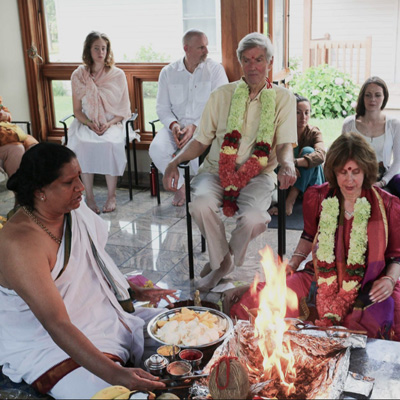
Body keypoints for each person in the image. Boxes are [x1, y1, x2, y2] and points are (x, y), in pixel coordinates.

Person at [0, 143, 178, 399]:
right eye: (69, 182)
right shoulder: (20, 243)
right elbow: (56, 323)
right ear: (40, 191)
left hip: (100, 314)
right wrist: (116, 375)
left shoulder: (72, 210)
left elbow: (94, 264)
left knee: (189, 332)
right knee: (119, 395)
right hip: (46, 344)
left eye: (80, 177)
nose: (81, 187)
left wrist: (130, 290)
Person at [163, 32, 297, 291]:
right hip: (215, 170)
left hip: (259, 174)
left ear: (269, 63)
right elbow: (201, 141)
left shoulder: (283, 99)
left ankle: (222, 265)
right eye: (246, 60)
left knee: (255, 218)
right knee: (200, 203)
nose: (252, 66)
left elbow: (284, 145)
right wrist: (173, 162)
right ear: (240, 63)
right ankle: (223, 262)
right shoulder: (222, 95)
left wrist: (288, 164)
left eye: (259, 60)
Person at [283, 132, 400, 339]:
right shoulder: (319, 197)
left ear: (366, 171)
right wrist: (292, 264)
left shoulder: (388, 205)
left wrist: (390, 280)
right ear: (334, 172)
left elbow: (395, 256)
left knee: (383, 319)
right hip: (320, 277)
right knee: (272, 297)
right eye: (343, 172)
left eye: (356, 171)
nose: (350, 179)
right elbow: (309, 236)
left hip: (370, 282)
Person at [149, 29, 228, 207]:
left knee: (197, 152)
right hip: (175, 127)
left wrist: (195, 126)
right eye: (201, 47)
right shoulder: (168, 72)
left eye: (206, 46)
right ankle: (182, 187)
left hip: (205, 127)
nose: (206, 51)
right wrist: (174, 125)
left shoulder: (215, 70)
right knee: (156, 149)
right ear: (186, 48)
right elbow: (162, 107)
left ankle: (200, 190)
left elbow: (220, 106)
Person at [67, 31, 132, 214]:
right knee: (83, 144)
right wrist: (89, 123)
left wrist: (109, 124)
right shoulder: (79, 75)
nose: (101, 52)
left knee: (110, 143)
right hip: (87, 123)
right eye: (96, 48)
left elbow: (123, 111)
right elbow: (77, 111)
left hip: (112, 123)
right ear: (89, 50)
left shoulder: (117, 74)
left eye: (104, 48)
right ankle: (90, 196)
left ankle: (112, 195)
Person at [342, 76, 400, 197]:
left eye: (377, 95)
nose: (372, 99)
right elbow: (342, 157)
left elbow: (397, 161)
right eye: (368, 95)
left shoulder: (394, 124)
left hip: (384, 176)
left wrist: (383, 182)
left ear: (384, 97)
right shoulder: (349, 124)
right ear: (362, 97)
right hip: (355, 175)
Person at [269, 94, 325, 216]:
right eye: (298, 113)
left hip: (311, 182)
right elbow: (272, 156)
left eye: (307, 112)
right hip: (288, 181)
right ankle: (287, 198)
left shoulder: (314, 132)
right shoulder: (282, 132)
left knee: (308, 151)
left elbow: (321, 155)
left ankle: (290, 201)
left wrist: (293, 163)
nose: (303, 117)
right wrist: (288, 166)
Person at [0, 96, 38, 178]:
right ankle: (21, 187)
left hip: (7, 130)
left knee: (33, 146)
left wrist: (5, 115)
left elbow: (7, 113)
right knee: (17, 149)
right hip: (5, 137)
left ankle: (40, 183)